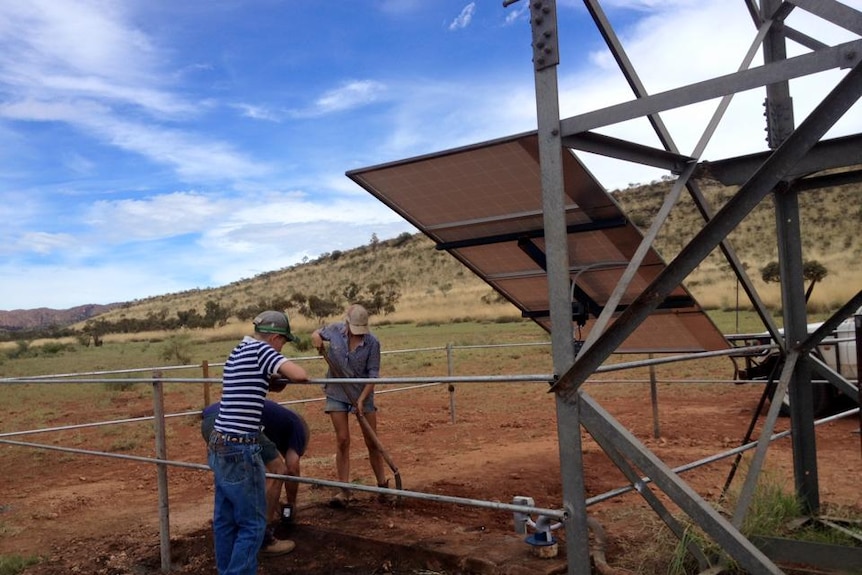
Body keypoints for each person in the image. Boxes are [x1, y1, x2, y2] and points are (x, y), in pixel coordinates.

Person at [206, 310, 308, 574]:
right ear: (275, 337)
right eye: (283, 343)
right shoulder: (264, 352)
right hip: (240, 445)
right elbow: (299, 375)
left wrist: (270, 380)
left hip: (219, 441)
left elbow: (254, 382)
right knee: (252, 523)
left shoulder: (238, 350)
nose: (282, 347)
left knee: (225, 520)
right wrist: (281, 369)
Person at [310, 304, 388, 508]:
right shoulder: (334, 330)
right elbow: (317, 333)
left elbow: (373, 375)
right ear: (347, 323)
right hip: (337, 391)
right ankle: (344, 490)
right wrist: (316, 338)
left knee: (372, 441)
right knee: (343, 440)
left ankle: (382, 486)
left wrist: (362, 400)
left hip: (363, 394)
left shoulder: (372, 343)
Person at [201, 399, 310, 542]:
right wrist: (291, 504)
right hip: (236, 421)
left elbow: (262, 471)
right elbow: (292, 468)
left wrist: (275, 503)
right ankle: (264, 538)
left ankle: (234, 531)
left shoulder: (273, 422)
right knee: (279, 471)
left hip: (210, 423)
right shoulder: (297, 428)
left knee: (236, 476)